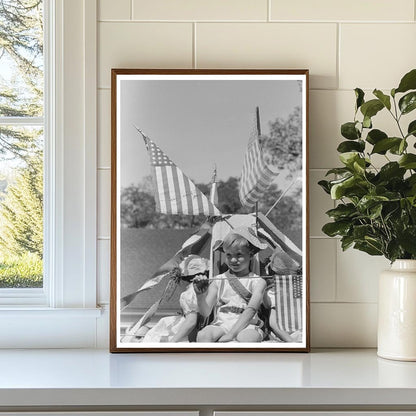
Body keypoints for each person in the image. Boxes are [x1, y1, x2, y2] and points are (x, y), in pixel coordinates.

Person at [193, 226, 267, 343]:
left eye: (239, 255)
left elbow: (251, 310)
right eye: (229, 255)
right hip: (222, 324)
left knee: (247, 338)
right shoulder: (218, 280)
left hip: (248, 324)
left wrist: (231, 334)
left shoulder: (258, 281)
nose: (233, 260)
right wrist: (200, 296)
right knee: (203, 335)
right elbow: (205, 312)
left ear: (251, 254)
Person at [142, 255, 209, 343]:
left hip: (186, 332)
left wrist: (172, 342)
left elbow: (191, 321)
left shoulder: (189, 293)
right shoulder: (204, 289)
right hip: (196, 329)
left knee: (157, 333)